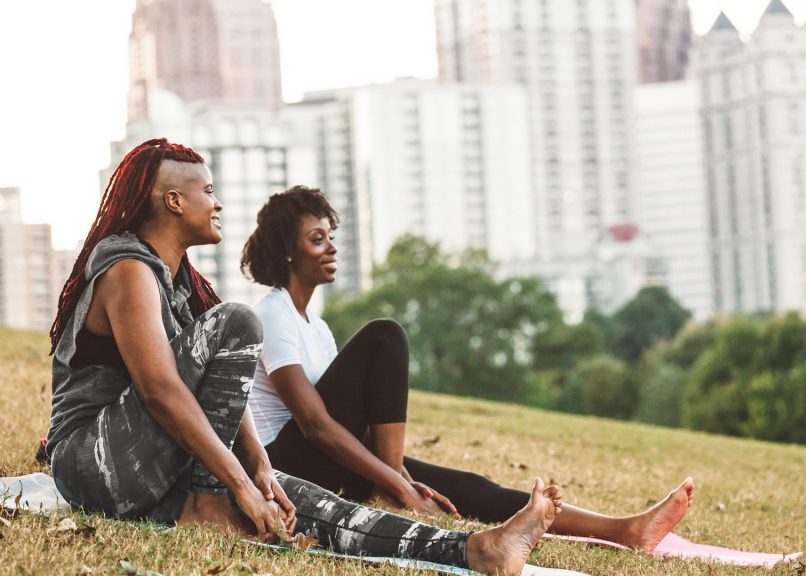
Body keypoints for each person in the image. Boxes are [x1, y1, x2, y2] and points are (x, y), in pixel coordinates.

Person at [44, 138, 565, 575]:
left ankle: (478, 551)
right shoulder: (128, 270)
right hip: (94, 464)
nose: (218, 204)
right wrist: (232, 483)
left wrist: (260, 469)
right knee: (236, 321)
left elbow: (223, 395)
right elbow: (161, 391)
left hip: (155, 466)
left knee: (313, 503)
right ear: (174, 202)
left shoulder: (181, 285)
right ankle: (206, 505)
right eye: (208, 191)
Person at [241, 185, 694, 551]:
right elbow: (316, 424)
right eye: (316, 239)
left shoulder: (317, 328)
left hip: (326, 458)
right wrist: (400, 485)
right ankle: (394, 492)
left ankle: (623, 530)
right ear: (287, 252)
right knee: (384, 336)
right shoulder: (274, 313)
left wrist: (405, 479)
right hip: (287, 467)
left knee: (469, 488)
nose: (332, 247)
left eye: (330, 236)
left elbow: (344, 422)